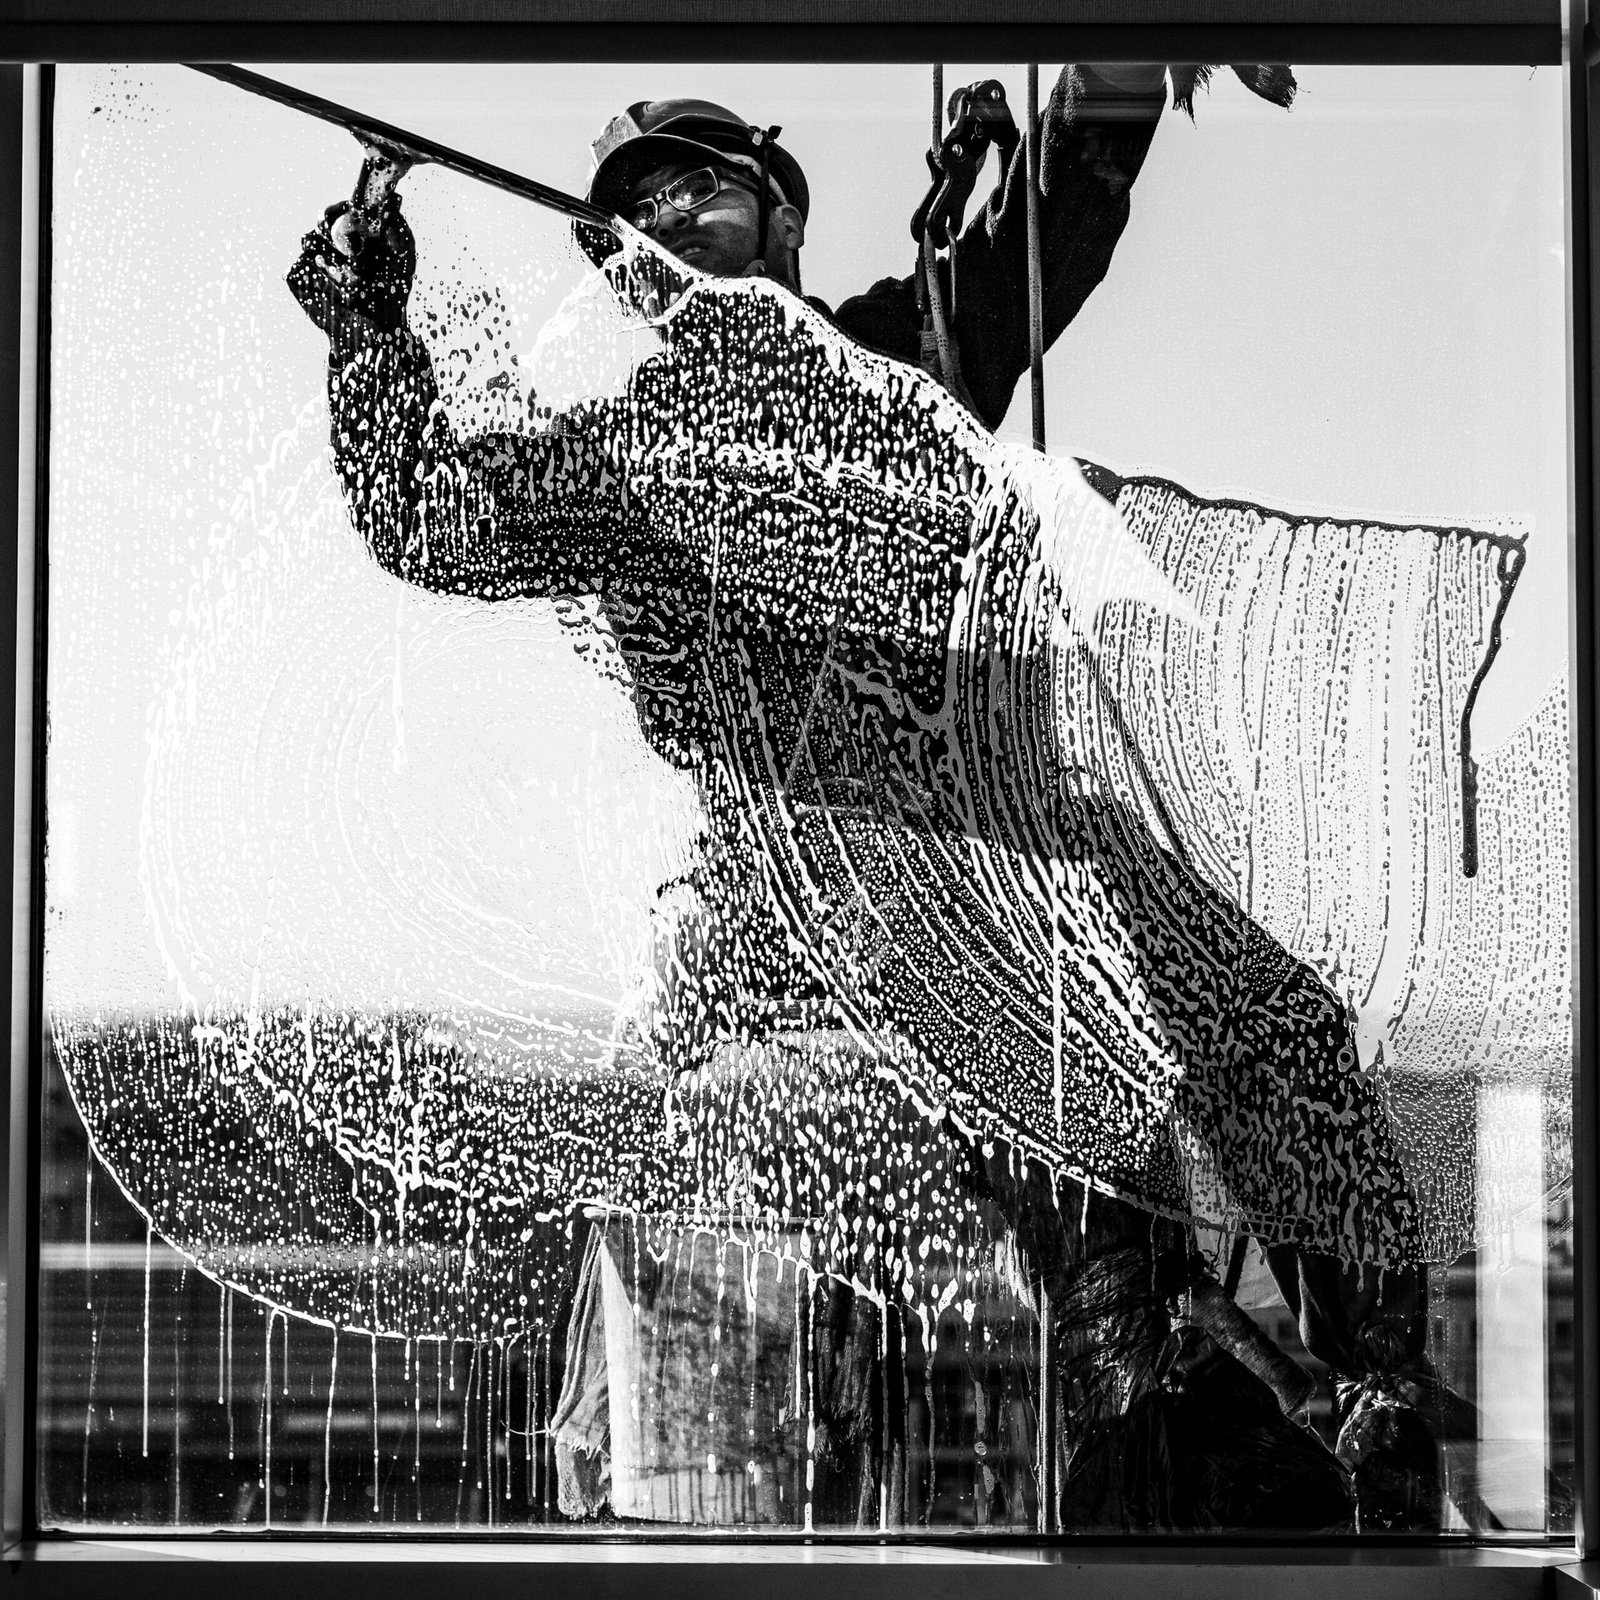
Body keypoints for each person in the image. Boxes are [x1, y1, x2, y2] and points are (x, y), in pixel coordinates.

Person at [288, 63, 1439, 1532]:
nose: (663, 219)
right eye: (636, 214)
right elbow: (421, 517)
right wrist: (371, 303)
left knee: (1283, 1041)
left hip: (1028, 846)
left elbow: (1047, 247)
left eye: (696, 190)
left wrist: (1122, 77)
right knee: (1103, 1193)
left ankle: (1380, 1424)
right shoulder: (628, 463)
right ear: (627, 279)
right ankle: (1156, 1449)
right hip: (858, 903)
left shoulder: (897, 368)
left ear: (780, 227)